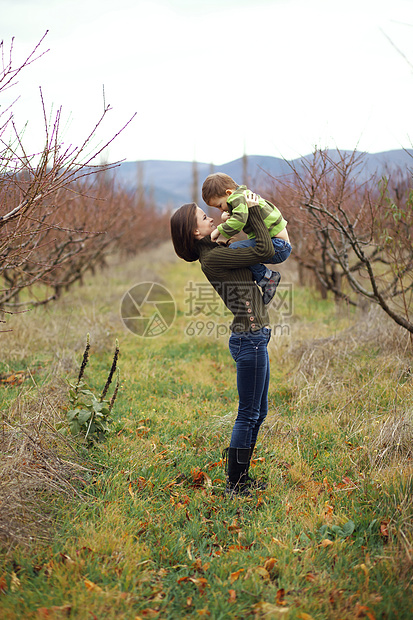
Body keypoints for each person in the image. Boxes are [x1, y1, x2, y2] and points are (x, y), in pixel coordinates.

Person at [170, 192, 273, 497]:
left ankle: (241, 480)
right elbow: (265, 248)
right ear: (195, 232)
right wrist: (252, 211)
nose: (211, 218)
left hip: (255, 337)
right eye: (204, 217)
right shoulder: (213, 257)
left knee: (259, 411)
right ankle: (235, 485)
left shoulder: (216, 248)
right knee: (248, 413)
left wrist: (230, 225)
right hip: (249, 338)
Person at [202, 172, 292, 304]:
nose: (221, 210)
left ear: (228, 193)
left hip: (278, 246)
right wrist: (228, 214)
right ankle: (264, 278)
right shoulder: (241, 196)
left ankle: (267, 278)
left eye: (220, 205)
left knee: (236, 249)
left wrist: (219, 230)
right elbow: (241, 215)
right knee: (241, 251)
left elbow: (239, 221)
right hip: (279, 245)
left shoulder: (237, 198)